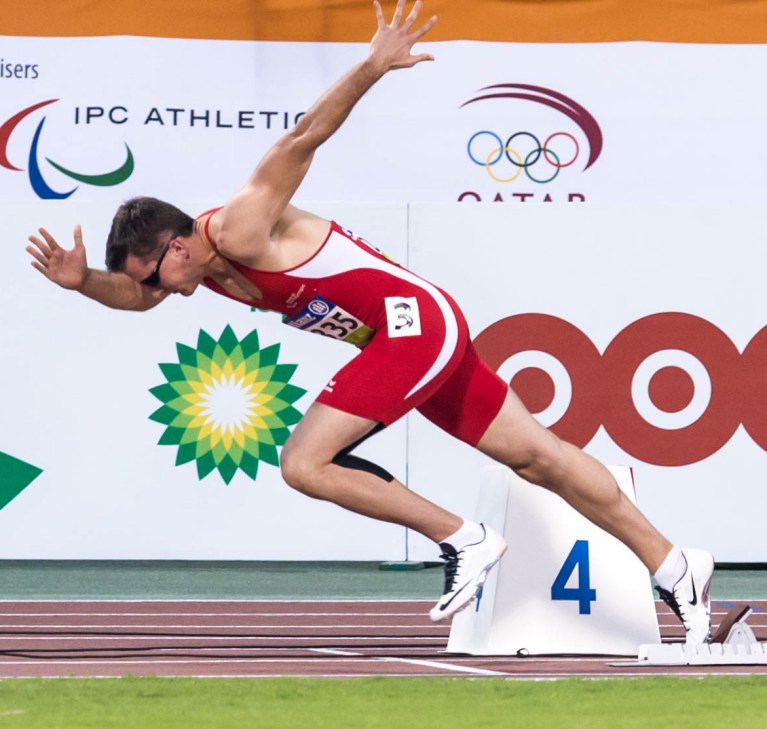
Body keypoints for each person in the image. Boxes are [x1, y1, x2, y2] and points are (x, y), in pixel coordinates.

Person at [27, 0, 714, 641]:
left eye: (151, 273)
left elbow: (301, 138)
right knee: (539, 457)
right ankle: (673, 564)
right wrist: (82, 282)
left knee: (302, 462)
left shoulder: (237, 227)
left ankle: (464, 538)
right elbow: (134, 299)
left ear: (174, 244)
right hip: (411, 333)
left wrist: (370, 65)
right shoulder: (199, 272)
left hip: (412, 327)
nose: (153, 291)